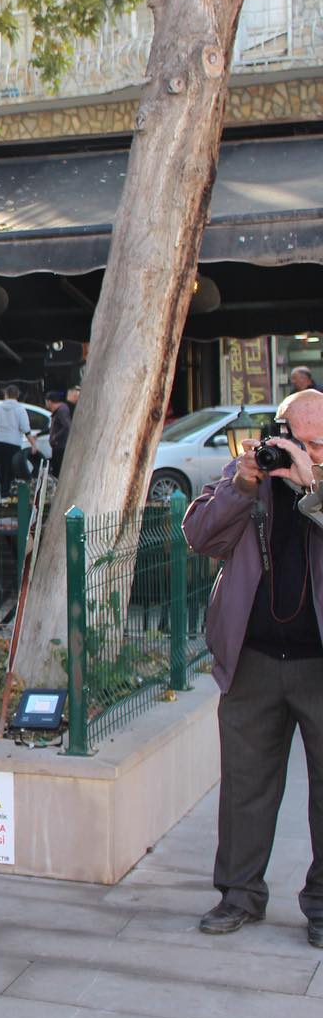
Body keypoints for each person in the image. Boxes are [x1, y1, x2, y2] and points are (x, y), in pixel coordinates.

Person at [182, 388, 323, 950]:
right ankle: (239, 895)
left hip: (319, 665)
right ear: (278, 434)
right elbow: (199, 536)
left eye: (320, 442)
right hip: (254, 661)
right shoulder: (252, 476)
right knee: (245, 786)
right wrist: (243, 486)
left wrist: (312, 485)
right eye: (300, 439)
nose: (307, 450)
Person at [0, 384, 36, 494]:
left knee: (1, 469)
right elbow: (26, 429)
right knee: (12, 469)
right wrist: (33, 444)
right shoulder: (20, 410)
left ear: (5, 394)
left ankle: (3, 492)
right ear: (17, 395)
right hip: (13, 443)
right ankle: (10, 493)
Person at [45, 390, 72, 478]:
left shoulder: (62, 411)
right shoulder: (59, 410)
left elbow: (67, 426)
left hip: (60, 446)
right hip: (57, 446)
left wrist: (55, 437)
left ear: (49, 401)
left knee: (58, 470)